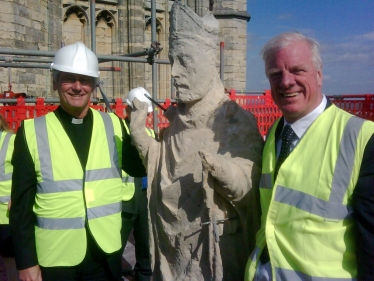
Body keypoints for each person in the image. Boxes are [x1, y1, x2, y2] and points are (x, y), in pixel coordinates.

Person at [128, 2, 264, 280]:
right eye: (172, 61)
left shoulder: (235, 120)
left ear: (210, 62)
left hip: (215, 253)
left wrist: (225, 172)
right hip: (172, 251)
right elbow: (160, 167)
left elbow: (249, 188)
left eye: (185, 62)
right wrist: (139, 135)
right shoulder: (178, 119)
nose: (174, 72)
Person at [9, 42, 146, 281]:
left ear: (94, 85)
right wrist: (26, 262)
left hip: (105, 254)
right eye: (68, 78)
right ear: (54, 81)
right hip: (56, 257)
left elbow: (137, 168)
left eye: (84, 80)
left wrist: (139, 133)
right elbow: (20, 208)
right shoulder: (31, 131)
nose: (77, 87)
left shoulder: (113, 124)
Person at [244, 32, 374, 281]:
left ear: (319, 74)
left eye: (297, 70)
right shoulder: (274, 132)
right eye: (275, 75)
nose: (286, 82)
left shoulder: (362, 138)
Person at [121, 87, 154, 281]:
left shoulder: (148, 132)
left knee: (145, 242)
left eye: (147, 113)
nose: (144, 117)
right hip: (123, 197)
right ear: (127, 110)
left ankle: (144, 275)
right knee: (116, 244)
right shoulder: (119, 130)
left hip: (144, 195)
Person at [0, 114, 18, 281]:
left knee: (10, 261)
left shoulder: (11, 141)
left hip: (6, 216)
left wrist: (18, 198)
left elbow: (26, 175)